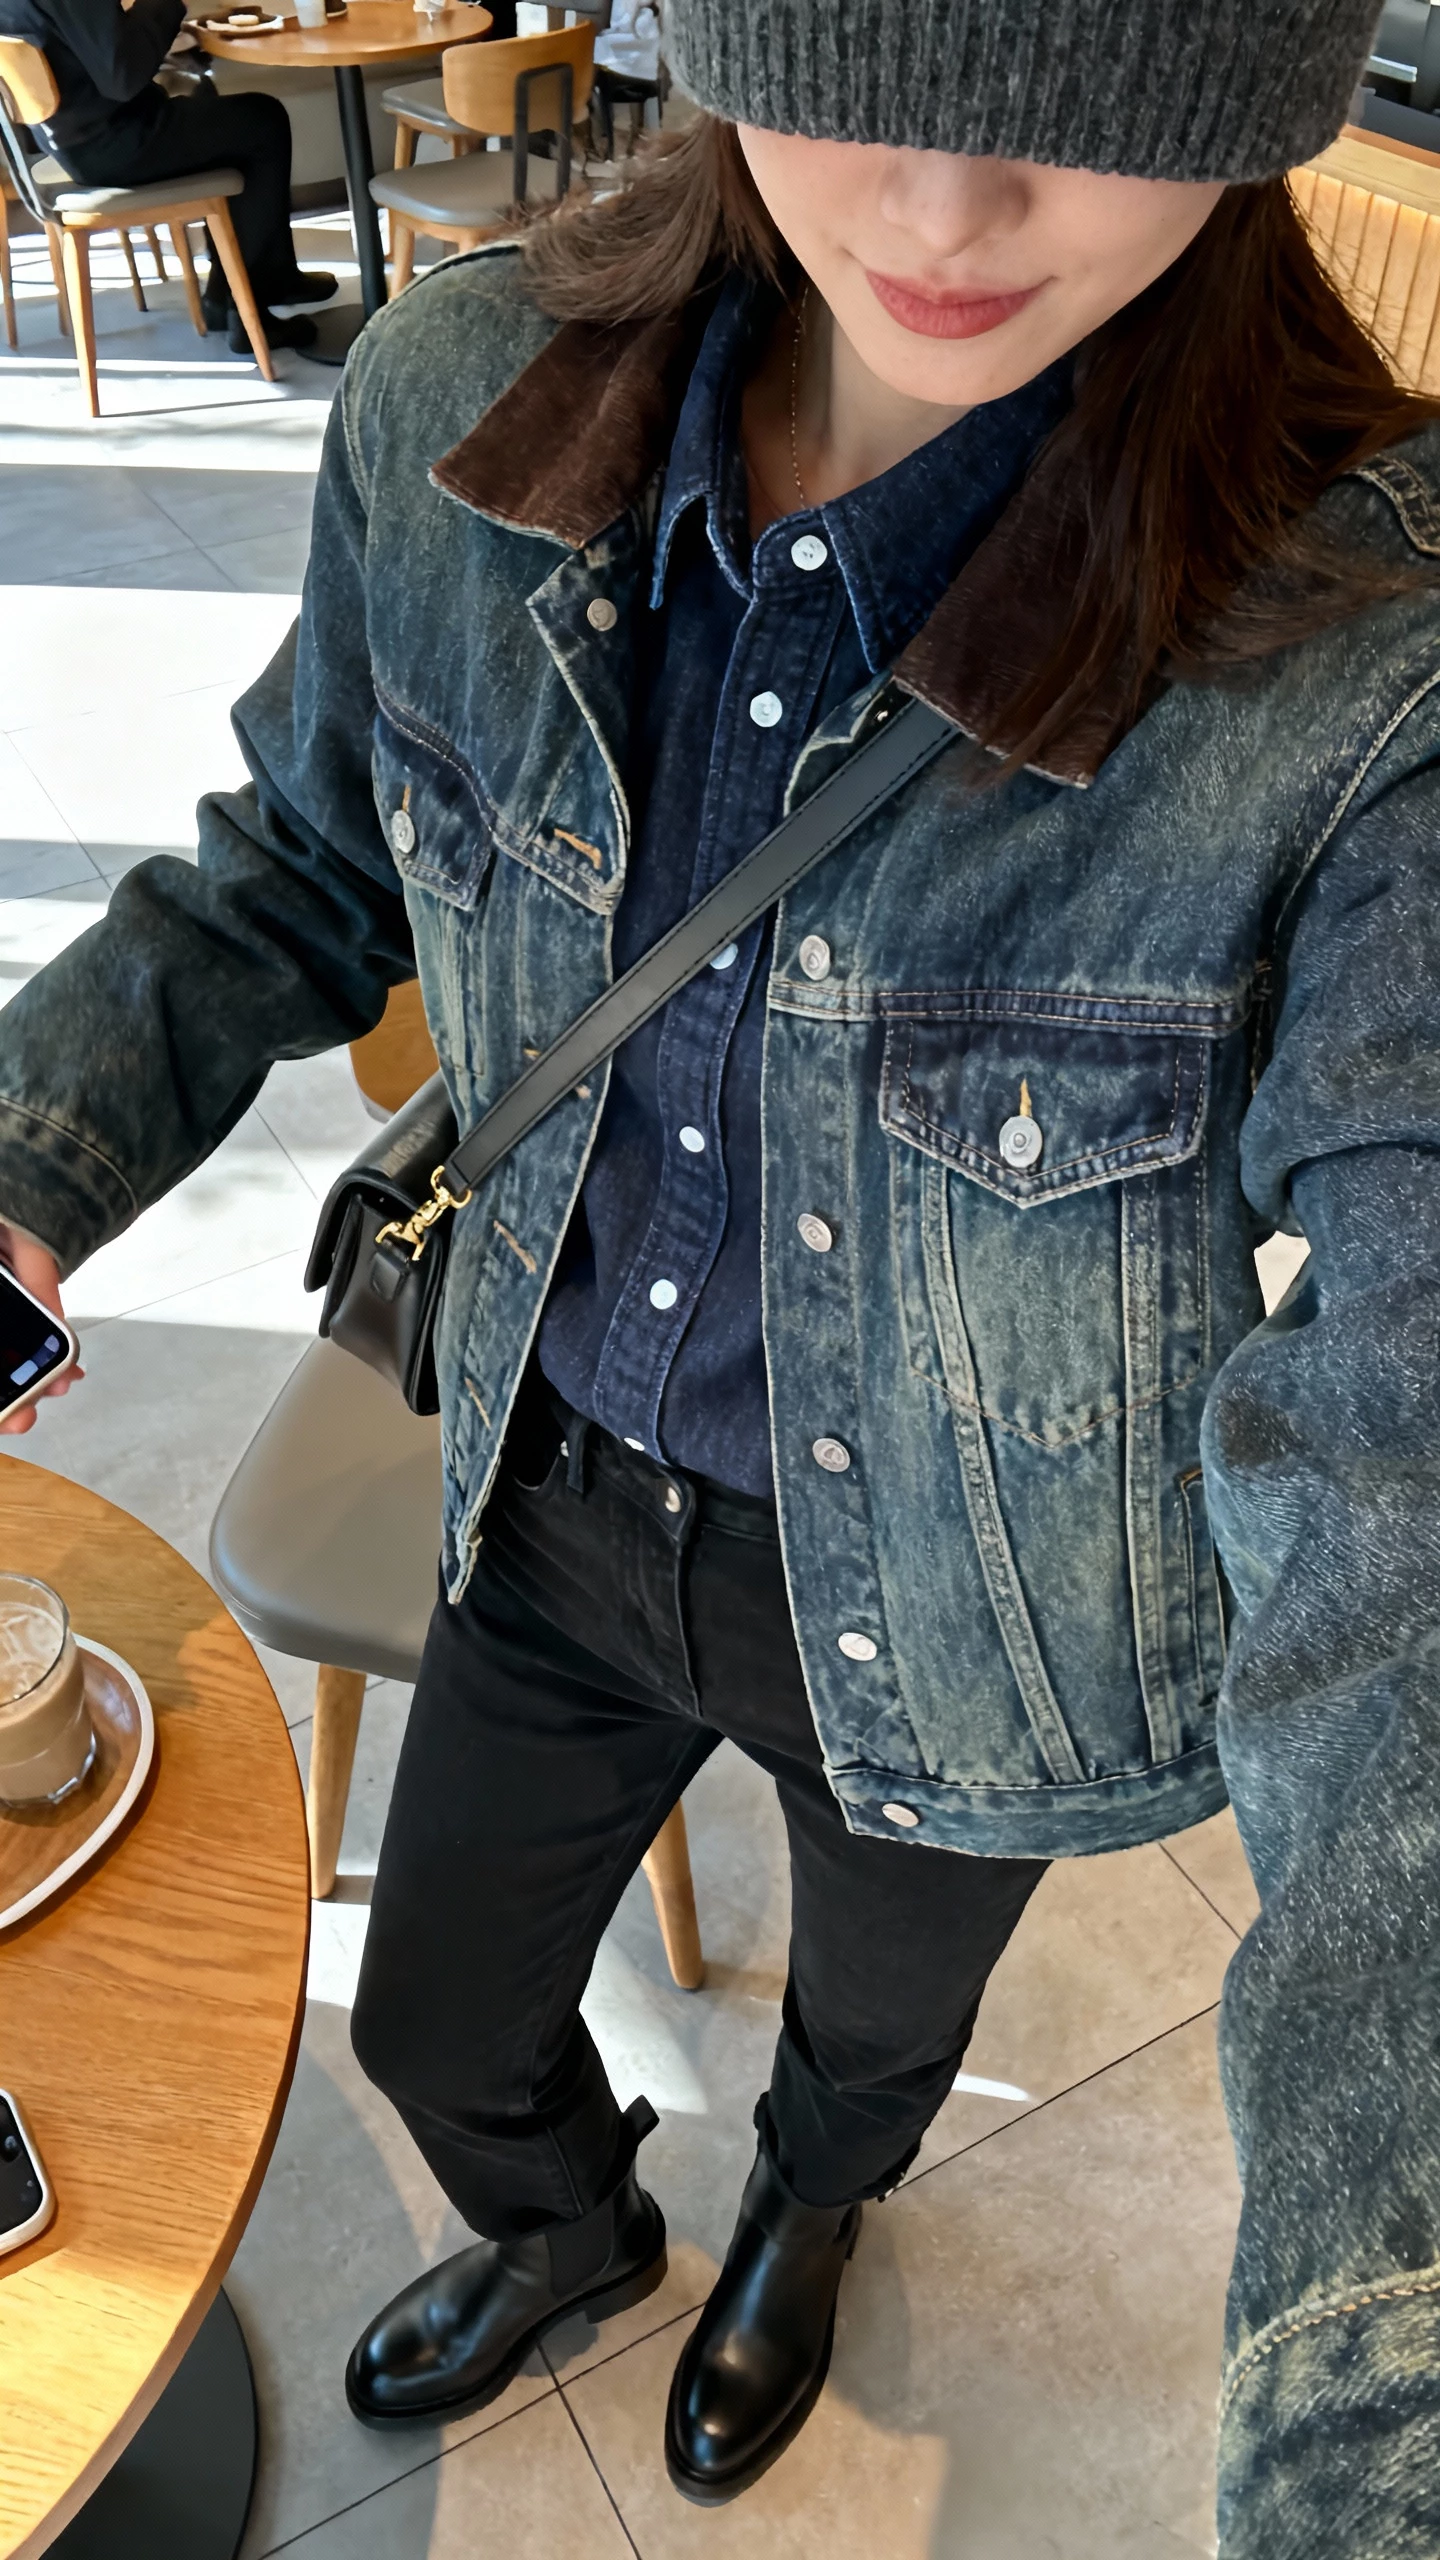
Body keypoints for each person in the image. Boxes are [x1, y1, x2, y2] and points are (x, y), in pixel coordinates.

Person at [1, 0, 1437, 2544]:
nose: (934, 213)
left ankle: (803, 2214)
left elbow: (1405, 1496)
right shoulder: (457, 414)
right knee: (437, 2015)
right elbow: (290, 869)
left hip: (973, 1608)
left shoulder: (1361, 667)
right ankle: (566, 2226)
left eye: (1072, 115)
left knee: (869, 2046)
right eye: (851, 69)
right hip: (550, 1485)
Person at [0, 0, 335, 349]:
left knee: (227, 121)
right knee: (264, 122)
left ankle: (234, 294)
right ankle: (252, 307)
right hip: (116, 142)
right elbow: (122, 76)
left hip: (75, 138)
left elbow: (86, 50)